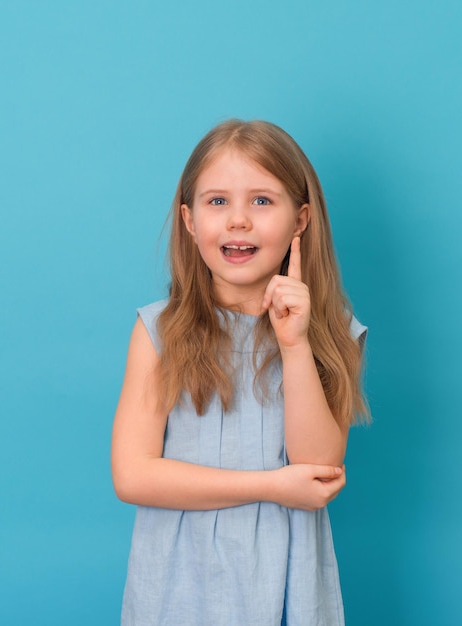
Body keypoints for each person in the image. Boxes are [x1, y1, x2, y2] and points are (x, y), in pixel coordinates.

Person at [111, 119, 368, 626]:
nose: (238, 221)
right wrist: (271, 486)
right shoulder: (158, 330)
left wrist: (294, 344)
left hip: (288, 582)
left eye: (261, 201)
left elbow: (318, 466)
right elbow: (132, 474)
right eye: (217, 201)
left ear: (301, 219)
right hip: (179, 584)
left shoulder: (333, 330)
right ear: (188, 220)